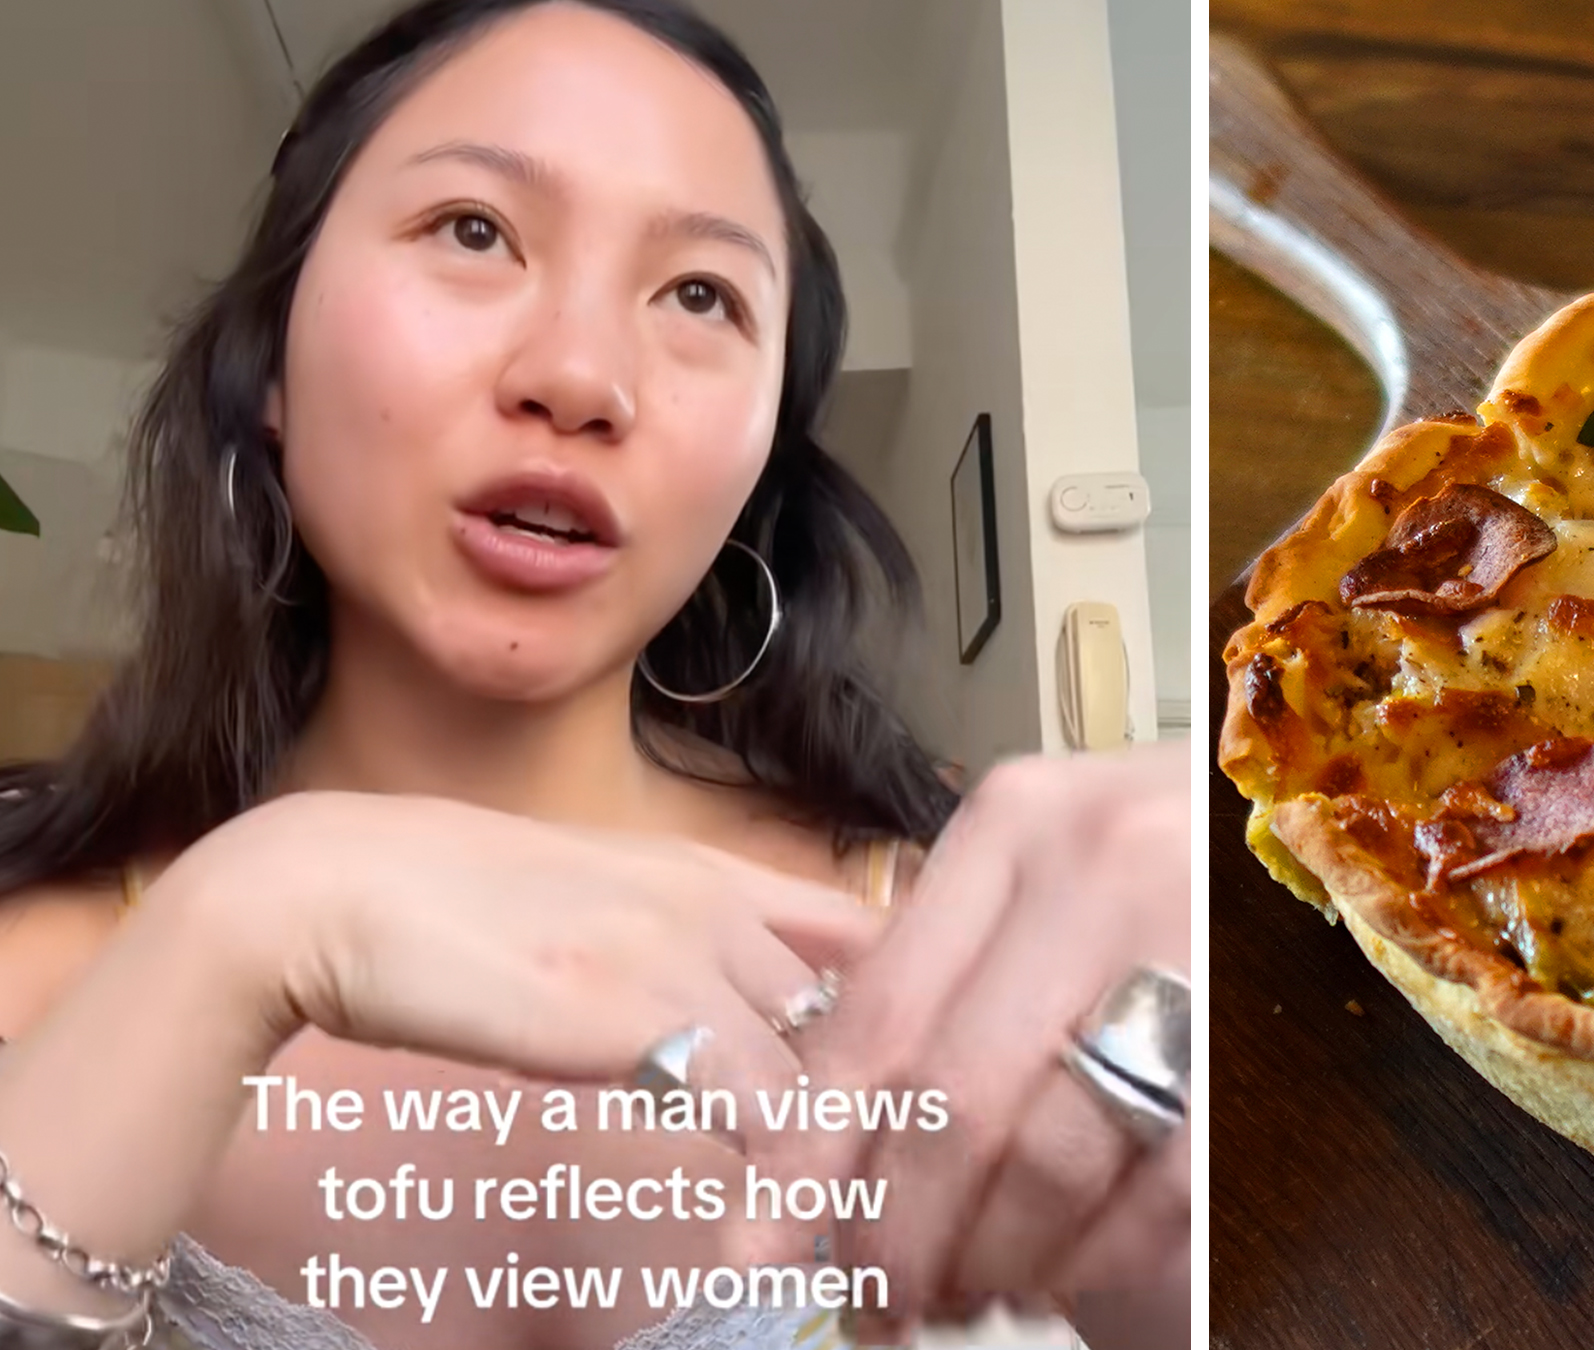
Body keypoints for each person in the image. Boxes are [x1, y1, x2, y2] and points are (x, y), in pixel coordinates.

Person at [0, 2, 1190, 1348]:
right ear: (269, 357)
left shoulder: (968, 957)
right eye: (472, 229)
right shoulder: (31, 958)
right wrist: (240, 926)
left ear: (752, 468)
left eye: (701, 294)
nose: (580, 378)